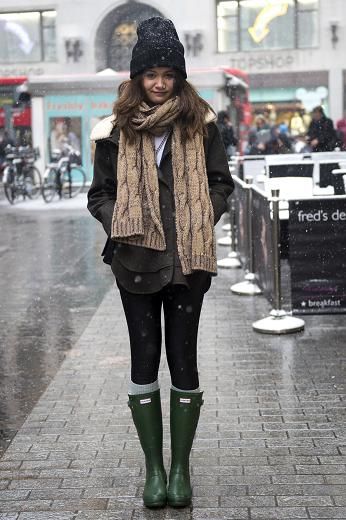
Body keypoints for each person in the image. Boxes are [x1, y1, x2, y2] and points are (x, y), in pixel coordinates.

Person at [87, 17, 234, 509]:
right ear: (135, 78)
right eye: (150, 73)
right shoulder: (113, 133)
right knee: (144, 362)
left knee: (185, 362)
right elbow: (100, 195)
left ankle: (181, 471)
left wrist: (197, 218)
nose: (159, 83)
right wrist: (123, 223)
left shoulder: (202, 124)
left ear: (179, 77)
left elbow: (221, 184)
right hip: (135, 263)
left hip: (189, 265)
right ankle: (154, 470)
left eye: (168, 73)